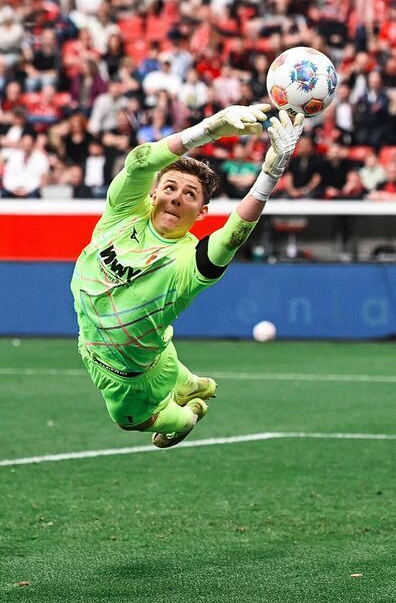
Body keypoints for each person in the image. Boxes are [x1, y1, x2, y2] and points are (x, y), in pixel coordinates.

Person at [71, 103, 303, 449]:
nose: (177, 197)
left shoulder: (186, 262)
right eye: (170, 188)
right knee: (166, 366)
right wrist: (209, 128)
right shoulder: (124, 212)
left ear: (202, 212)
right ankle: (190, 382)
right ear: (154, 192)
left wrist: (270, 175)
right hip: (107, 343)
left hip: (129, 375)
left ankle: (190, 412)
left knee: (132, 422)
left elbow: (232, 236)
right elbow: (140, 162)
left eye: (189, 194)